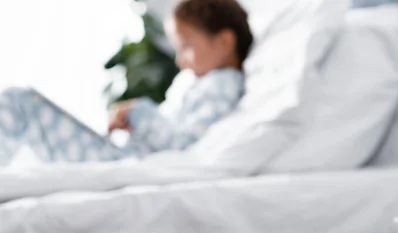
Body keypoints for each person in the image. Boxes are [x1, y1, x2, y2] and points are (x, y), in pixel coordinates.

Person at [0, 0, 253, 166]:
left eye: (186, 47)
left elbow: (181, 144)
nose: (180, 61)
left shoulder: (222, 85)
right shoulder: (201, 84)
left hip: (122, 160)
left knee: (19, 102)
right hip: (123, 156)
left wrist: (139, 112)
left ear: (224, 42)